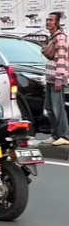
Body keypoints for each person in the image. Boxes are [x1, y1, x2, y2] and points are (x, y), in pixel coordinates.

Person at [41, 12, 69, 146]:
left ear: (57, 22)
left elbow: (62, 59)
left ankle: (64, 135)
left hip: (57, 78)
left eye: (51, 20)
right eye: (47, 20)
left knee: (58, 108)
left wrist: (59, 79)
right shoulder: (51, 37)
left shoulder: (60, 38)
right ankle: (55, 134)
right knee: (49, 108)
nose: (48, 22)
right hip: (50, 78)